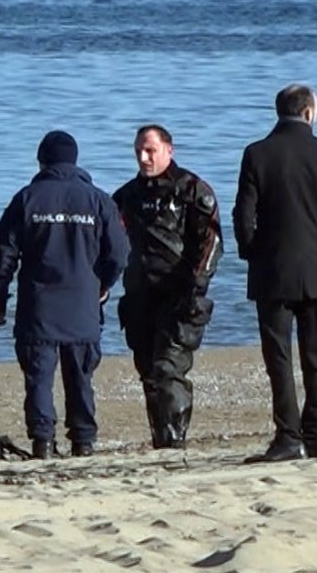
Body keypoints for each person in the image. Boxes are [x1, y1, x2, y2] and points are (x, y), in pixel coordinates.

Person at [233, 85, 317, 463]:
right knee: (316, 358)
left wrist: (253, 252)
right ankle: (315, 436)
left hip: (272, 272)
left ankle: (288, 436)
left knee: (279, 358)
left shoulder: (257, 153)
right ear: (308, 113)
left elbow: (243, 216)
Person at [0, 131, 129, 459]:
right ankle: (83, 441)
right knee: (80, 377)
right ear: (75, 161)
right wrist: (103, 285)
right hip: (83, 305)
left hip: (39, 306)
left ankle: (43, 441)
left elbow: (4, 255)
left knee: (38, 377)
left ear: (42, 161)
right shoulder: (99, 200)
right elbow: (120, 253)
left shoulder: (27, 198)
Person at [112, 125, 223, 449]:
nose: (144, 158)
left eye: (150, 151)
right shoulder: (125, 197)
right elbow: (108, 243)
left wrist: (196, 285)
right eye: (138, 152)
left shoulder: (190, 190)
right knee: (148, 372)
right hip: (139, 297)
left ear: (168, 150)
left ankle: (175, 440)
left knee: (168, 369)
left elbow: (212, 241)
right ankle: (161, 438)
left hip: (180, 297)